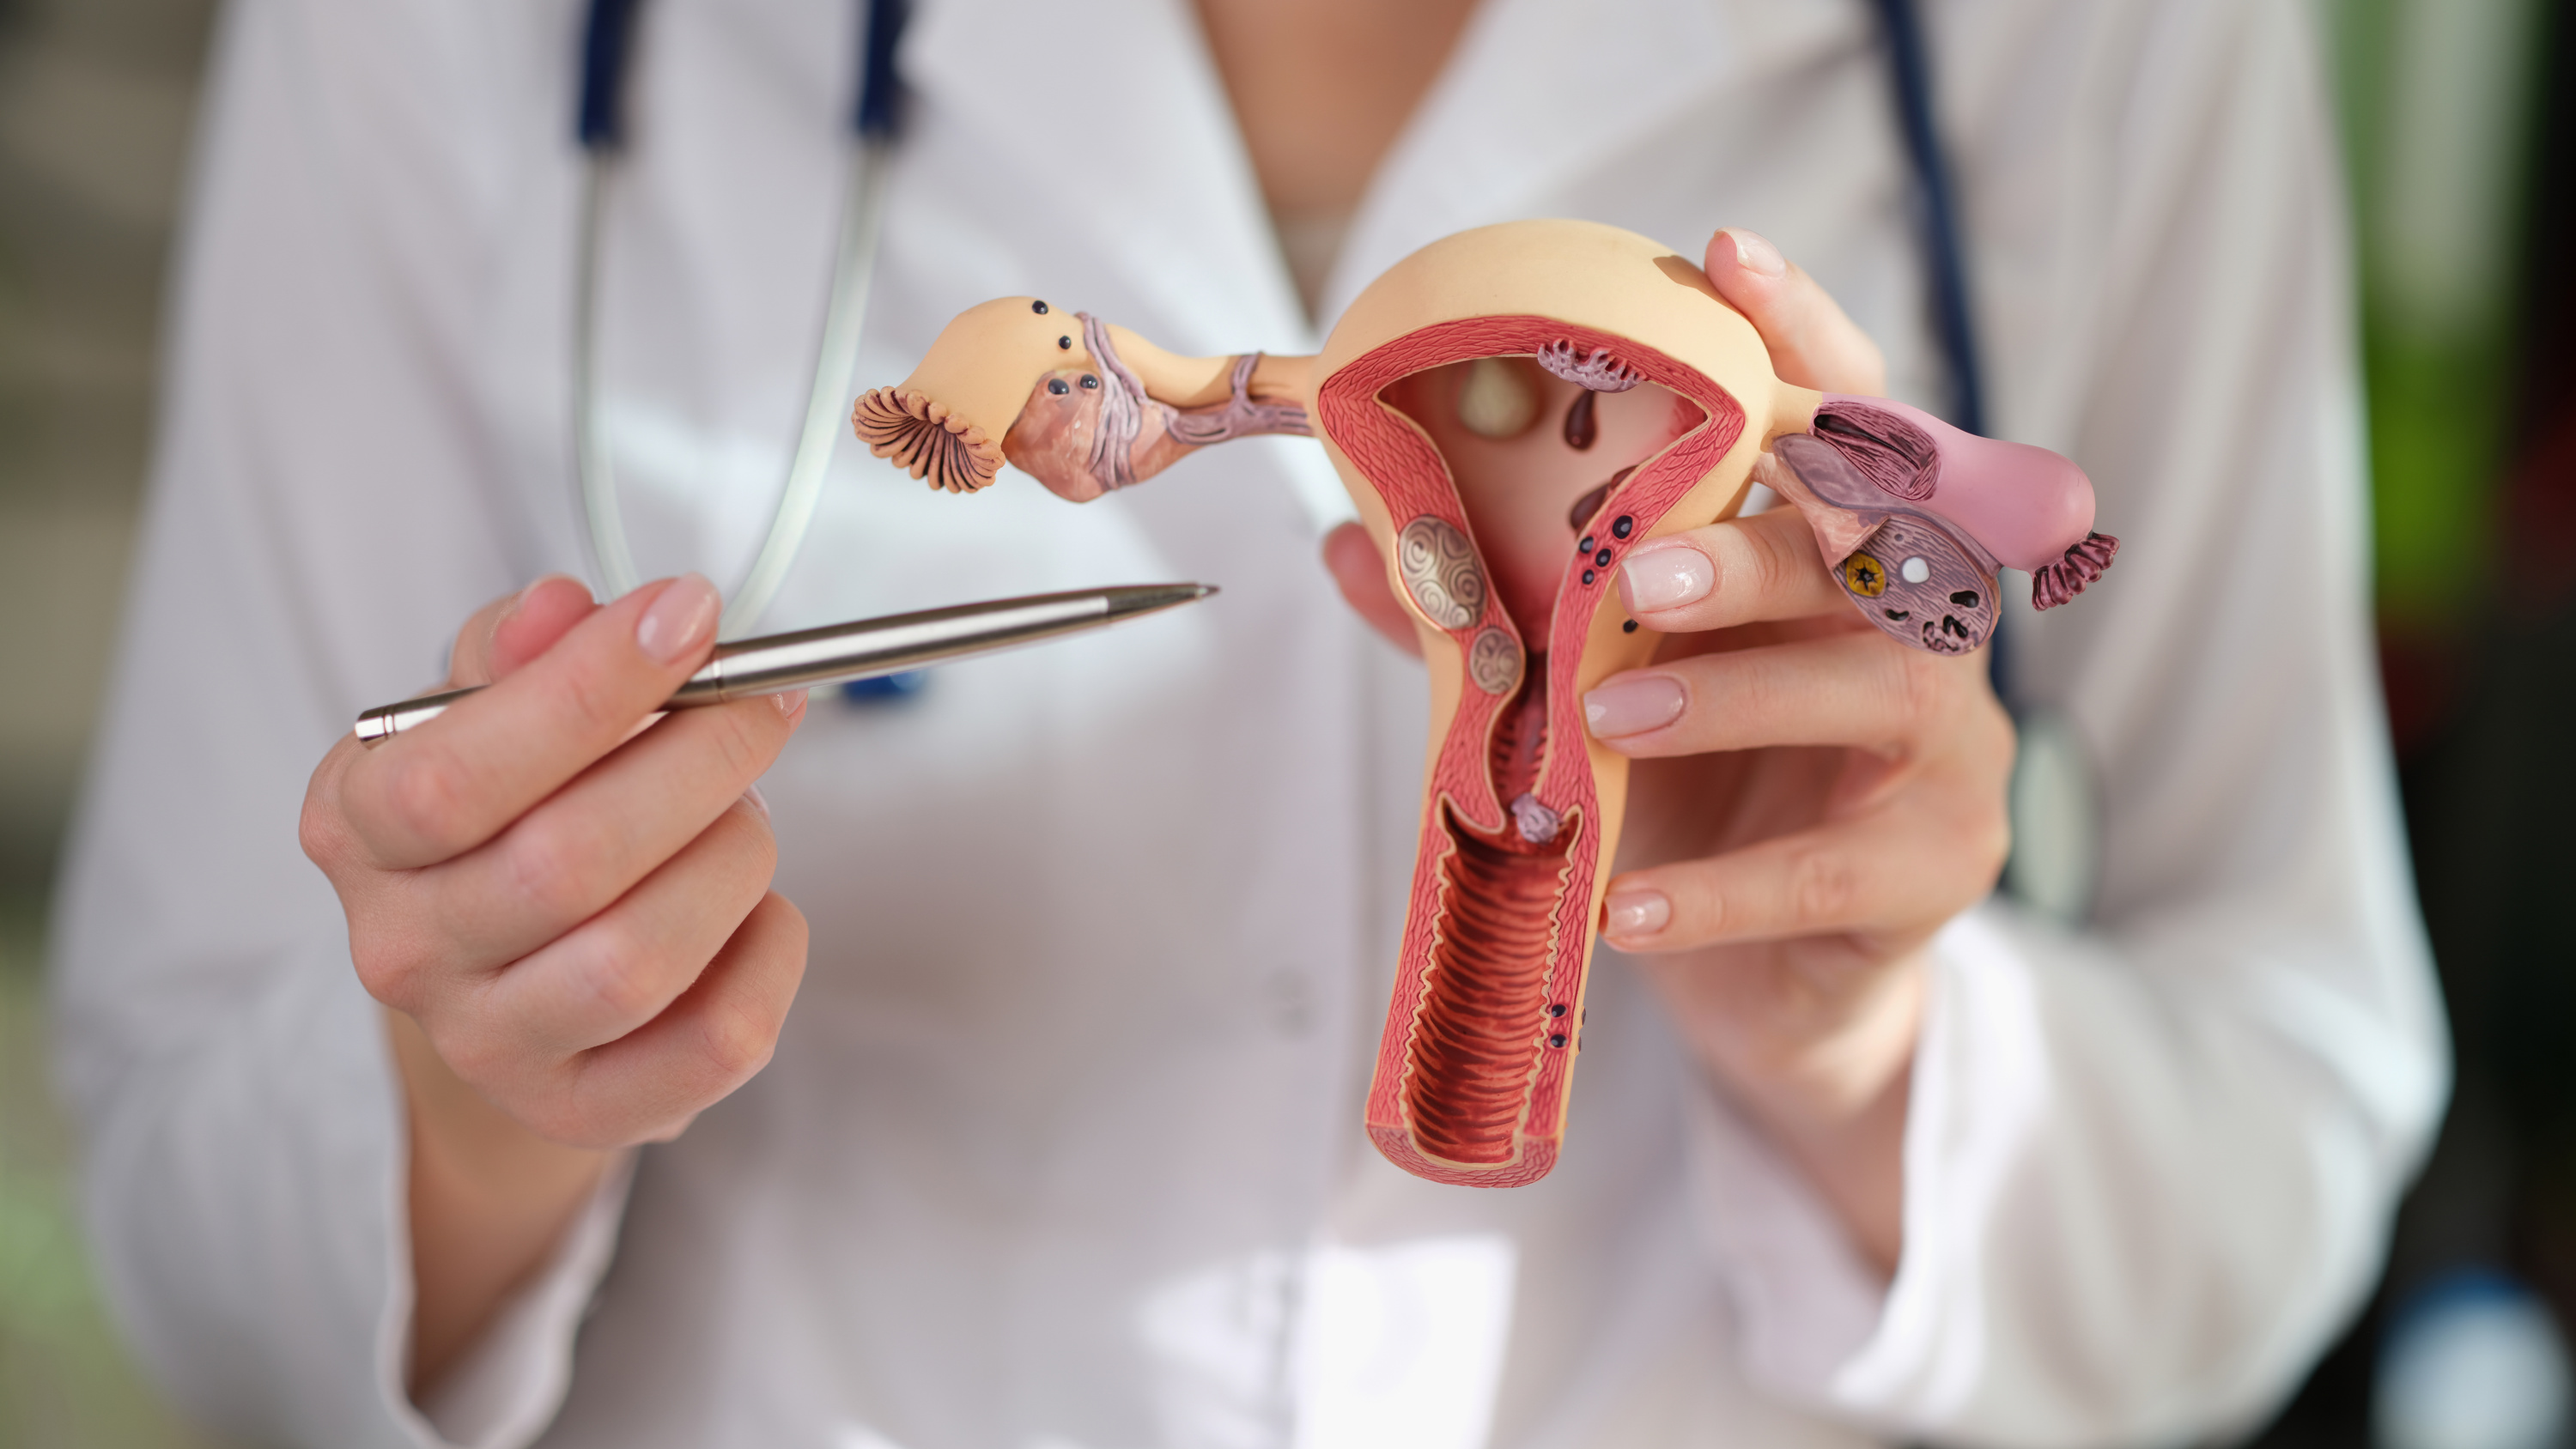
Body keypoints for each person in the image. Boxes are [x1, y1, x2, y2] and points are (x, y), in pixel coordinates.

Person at [52, 0, 2445, 1445]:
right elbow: (191, 1226)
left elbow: (2291, 1115)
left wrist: (1866, 1065)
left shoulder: (2100, 42)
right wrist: (474, 1108)